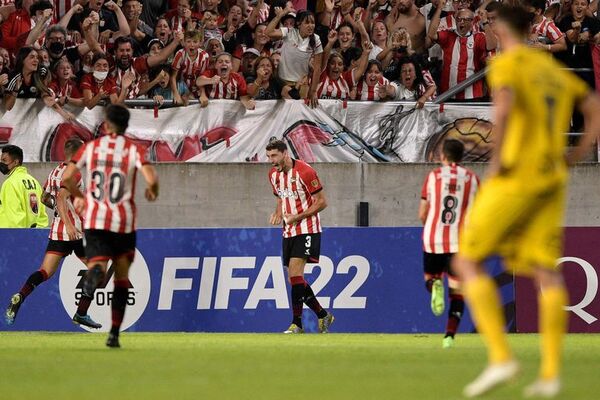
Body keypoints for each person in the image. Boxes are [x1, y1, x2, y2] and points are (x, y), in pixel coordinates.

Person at [452, 5, 600, 398]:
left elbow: (503, 113)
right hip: (553, 176)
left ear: (501, 27)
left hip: (517, 174)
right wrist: (577, 153)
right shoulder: (550, 69)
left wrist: (495, 168)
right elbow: (592, 106)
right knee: (545, 270)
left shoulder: (509, 62)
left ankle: (502, 358)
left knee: (465, 259)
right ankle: (550, 374)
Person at [61, 104, 159, 348]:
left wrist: (80, 197)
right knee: (122, 279)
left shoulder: (90, 148)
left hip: (95, 220)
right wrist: (152, 190)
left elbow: (66, 179)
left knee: (98, 265)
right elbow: (152, 179)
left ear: (106, 125)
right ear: (126, 126)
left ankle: (94, 272)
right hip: (123, 221)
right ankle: (114, 334)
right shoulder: (134, 150)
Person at [4, 139, 101, 328]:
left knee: (44, 272)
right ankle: (81, 313)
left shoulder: (55, 171)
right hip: (74, 233)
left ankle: (20, 296)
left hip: (57, 232)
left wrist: (57, 211)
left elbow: (44, 198)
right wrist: (70, 224)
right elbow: (62, 198)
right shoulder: (75, 173)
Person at [266, 139, 334, 334]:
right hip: (288, 230)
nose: (272, 160)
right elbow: (280, 196)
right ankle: (323, 315)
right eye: (269, 157)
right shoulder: (273, 175)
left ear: (285, 154)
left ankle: (297, 324)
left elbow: (322, 202)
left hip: (307, 227)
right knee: (294, 279)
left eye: (275, 156)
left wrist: (299, 216)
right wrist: (278, 212)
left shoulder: (305, 171)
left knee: (295, 274)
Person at [418, 139, 479, 349]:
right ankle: (449, 337)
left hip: (433, 239)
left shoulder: (433, 176)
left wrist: (429, 227)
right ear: (462, 157)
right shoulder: (472, 179)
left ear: (442, 156)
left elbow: (422, 213)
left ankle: (434, 284)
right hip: (460, 243)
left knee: (431, 277)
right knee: (457, 292)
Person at [0, 144, 48, 228]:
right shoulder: (34, 182)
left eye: (4, 160)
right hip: (34, 235)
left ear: (16, 162)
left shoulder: (10, 183)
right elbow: (41, 214)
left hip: (13, 237)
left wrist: (14, 238)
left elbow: (13, 219)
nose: (1, 163)